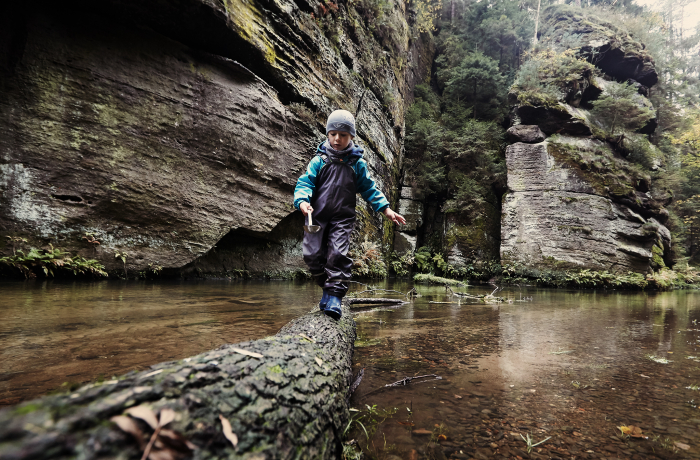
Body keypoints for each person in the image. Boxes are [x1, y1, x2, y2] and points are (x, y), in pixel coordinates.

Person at [293, 110, 406, 320]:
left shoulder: (356, 164)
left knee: (337, 255)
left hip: (342, 219)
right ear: (328, 134)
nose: (337, 139)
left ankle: (334, 296)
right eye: (333, 134)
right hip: (316, 216)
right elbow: (305, 183)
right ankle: (327, 288)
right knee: (312, 255)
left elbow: (370, 189)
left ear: (351, 137)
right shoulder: (320, 160)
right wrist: (302, 201)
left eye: (343, 135)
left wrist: (387, 209)